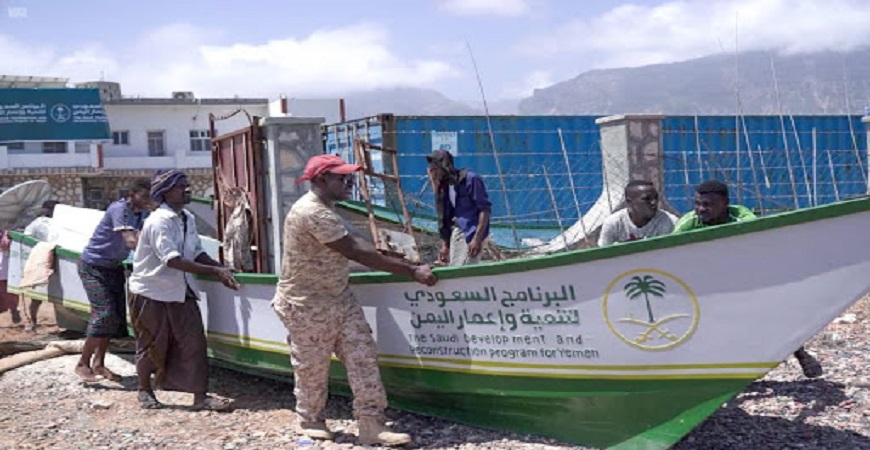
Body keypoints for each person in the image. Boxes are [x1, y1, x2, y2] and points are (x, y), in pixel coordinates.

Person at [272, 155, 437, 446]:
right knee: (312, 365)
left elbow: (360, 244)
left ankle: (372, 423)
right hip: (306, 303)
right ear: (321, 179)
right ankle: (311, 420)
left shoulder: (328, 209)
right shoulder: (312, 212)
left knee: (363, 356)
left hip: (339, 297)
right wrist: (412, 271)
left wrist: (398, 257)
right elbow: (356, 252)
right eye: (342, 178)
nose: (349, 183)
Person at [672, 180, 823, 378]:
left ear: (725, 203)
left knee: (776, 311)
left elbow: (758, 244)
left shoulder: (741, 218)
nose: (701, 209)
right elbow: (669, 251)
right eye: (698, 204)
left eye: (708, 204)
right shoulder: (689, 222)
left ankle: (800, 353)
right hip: (705, 282)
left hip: (743, 278)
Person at [128, 170, 240, 410]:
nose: (187, 190)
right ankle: (144, 390)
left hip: (181, 290)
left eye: (187, 186)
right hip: (151, 292)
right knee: (151, 344)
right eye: (181, 187)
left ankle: (200, 397)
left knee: (194, 343)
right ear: (165, 192)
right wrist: (214, 271)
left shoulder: (187, 218)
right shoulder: (158, 222)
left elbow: (196, 252)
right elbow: (172, 260)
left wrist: (221, 268)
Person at [74, 178, 151, 383]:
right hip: (93, 266)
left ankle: (98, 363)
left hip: (113, 266)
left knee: (114, 317)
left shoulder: (143, 213)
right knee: (103, 314)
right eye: (144, 196)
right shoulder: (120, 209)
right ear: (132, 195)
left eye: (150, 197)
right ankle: (83, 363)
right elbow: (131, 241)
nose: (147, 201)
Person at [426, 150, 491, 266]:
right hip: (458, 229)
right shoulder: (444, 186)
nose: (433, 172)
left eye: (435, 168)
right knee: (455, 267)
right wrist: (445, 245)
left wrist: (477, 239)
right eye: (432, 169)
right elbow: (444, 217)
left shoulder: (470, 179)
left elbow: (484, 210)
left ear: (445, 166)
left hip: (473, 231)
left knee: (466, 268)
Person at [598, 180, 677, 246]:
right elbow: (603, 252)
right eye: (647, 199)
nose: (654, 202)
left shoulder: (669, 221)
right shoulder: (613, 223)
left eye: (656, 197)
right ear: (629, 201)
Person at [22, 200, 60, 331]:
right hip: (40, 260)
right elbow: (27, 237)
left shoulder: (60, 222)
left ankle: (63, 323)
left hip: (57, 260)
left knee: (60, 295)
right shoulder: (38, 223)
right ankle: (32, 322)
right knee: (37, 295)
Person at [0, 230, 21, 324]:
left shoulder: (9, 235)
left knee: (10, 290)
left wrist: (7, 235)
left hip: (8, 267)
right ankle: (13, 309)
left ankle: (14, 309)